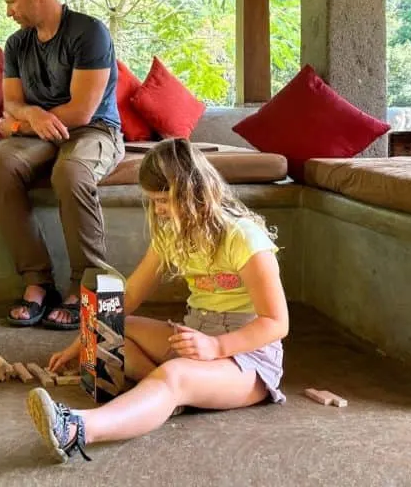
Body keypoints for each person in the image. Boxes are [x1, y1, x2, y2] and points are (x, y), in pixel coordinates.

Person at [25, 138, 288, 463]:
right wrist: (83, 341)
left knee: (174, 375)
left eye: (164, 200)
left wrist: (217, 348)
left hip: (248, 359)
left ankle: (77, 429)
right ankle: (165, 398)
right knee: (110, 329)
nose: (159, 210)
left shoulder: (243, 237)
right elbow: (131, 295)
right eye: (153, 201)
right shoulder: (171, 233)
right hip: (195, 336)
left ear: (193, 192)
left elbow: (277, 323)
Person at [0, 0, 125, 329]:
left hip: (94, 130)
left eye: (12, 3)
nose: (9, 12)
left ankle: (86, 287)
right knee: (1, 163)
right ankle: (37, 282)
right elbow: (11, 103)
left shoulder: (89, 32)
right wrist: (29, 117)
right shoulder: (17, 43)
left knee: (71, 172)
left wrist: (15, 123)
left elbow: (80, 112)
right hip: (38, 131)